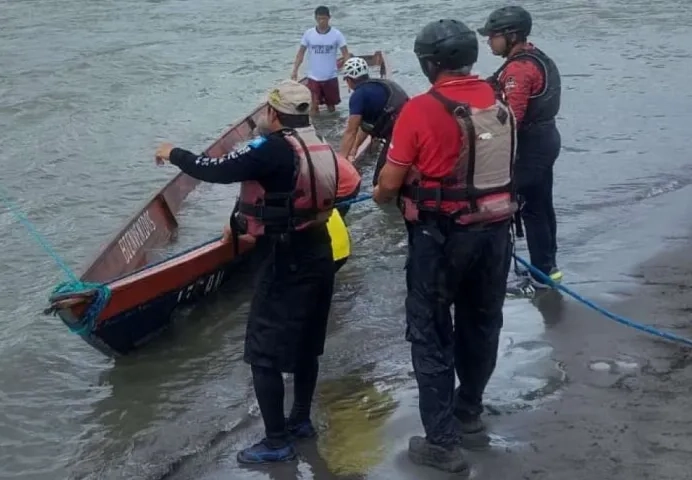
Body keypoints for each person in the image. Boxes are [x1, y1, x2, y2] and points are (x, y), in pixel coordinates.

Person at [155, 80, 339, 465]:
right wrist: (246, 219)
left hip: (285, 257)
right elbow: (335, 185)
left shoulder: (272, 148)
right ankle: (300, 420)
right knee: (307, 343)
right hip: (320, 250)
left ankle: (276, 442)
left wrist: (173, 153)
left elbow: (214, 169)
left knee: (263, 353)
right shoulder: (317, 142)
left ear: (272, 113)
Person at [372, 18, 516, 474]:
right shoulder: (500, 98)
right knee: (482, 322)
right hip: (496, 233)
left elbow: (387, 186)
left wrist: (380, 193)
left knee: (431, 333)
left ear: (429, 62)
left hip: (441, 238)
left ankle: (442, 442)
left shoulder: (420, 108)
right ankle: (468, 413)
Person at [478, 5, 563, 287]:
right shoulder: (534, 56)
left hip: (531, 146)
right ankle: (548, 267)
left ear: (512, 36)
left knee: (531, 209)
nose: (489, 40)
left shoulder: (519, 69)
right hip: (546, 138)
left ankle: (541, 274)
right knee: (542, 204)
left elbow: (510, 118)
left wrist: (482, 139)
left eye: (493, 35)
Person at [338, 56, 410, 186]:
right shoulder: (381, 85)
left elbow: (351, 131)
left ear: (349, 80)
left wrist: (341, 162)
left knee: (379, 182)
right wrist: (354, 148)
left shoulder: (358, 95)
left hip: (399, 134)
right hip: (412, 127)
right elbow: (366, 125)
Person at [291, 5, 350, 114]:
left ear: (329, 18)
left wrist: (348, 71)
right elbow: (301, 53)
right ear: (315, 19)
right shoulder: (309, 34)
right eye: (319, 19)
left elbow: (345, 54)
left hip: (330, 76)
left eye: (324, 18)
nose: (322, 21)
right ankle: (316, 128)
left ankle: (332, 128)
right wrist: (295, 70)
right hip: (314, 77)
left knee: (331, 107)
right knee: (314, 106)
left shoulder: (337, 35)